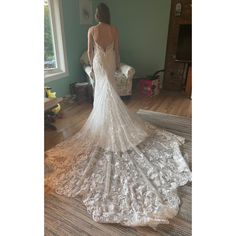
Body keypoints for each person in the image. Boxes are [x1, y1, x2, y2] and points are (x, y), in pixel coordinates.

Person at [45, 2, 191, 229]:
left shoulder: (92, 30)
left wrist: (94, 69)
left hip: (99, 63)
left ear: (96, 15)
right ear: (108, 14)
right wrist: (113, 65)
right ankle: (108, 121)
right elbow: (119, 50)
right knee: (109, 93)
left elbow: (91, 52)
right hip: (110, 61)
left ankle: (104, 121)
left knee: (102, 94)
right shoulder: (114, 30)